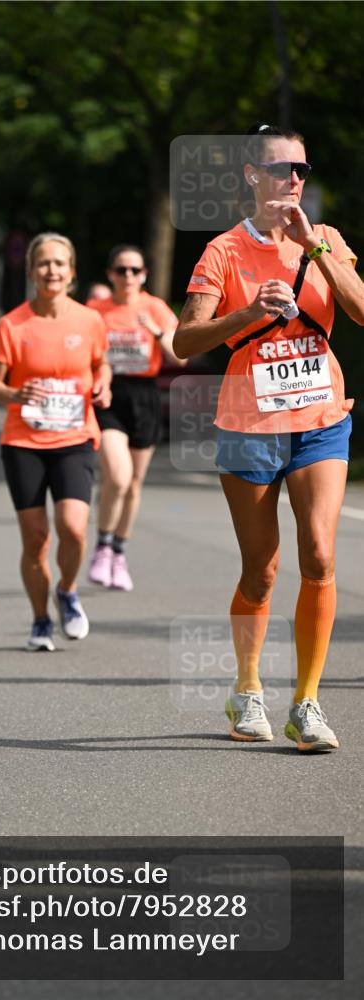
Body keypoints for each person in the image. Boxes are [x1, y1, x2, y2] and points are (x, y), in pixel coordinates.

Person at [174, 123, 364, 751]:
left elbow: (361, 311)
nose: (294, 181)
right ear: (252, 176)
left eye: (302, 171)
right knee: (262, 569)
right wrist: (251, 312)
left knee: (321, 554)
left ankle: (307, 703)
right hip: (249, 425)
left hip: (320, 421)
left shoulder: (327, 239)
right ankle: (248, 689)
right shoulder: (223, 252)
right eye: (282, 170)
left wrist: (316, 251)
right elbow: (185, 341)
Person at [0, 233, 112, 650]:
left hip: (75, 436)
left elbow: (100, 364)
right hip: (24, 441)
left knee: (73, 529)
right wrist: (14, 395)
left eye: (59, 263)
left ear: (71, 272)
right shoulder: (11, 324)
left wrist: (104, 385)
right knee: (36, 538)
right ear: (31, 271)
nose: (51, 270)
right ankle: (40, 620)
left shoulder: (90, 320)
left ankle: (68, 591)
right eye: (43, 263)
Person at [86, 245, 185, 590]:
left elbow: (180, 357)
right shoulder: (95, 311)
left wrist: (156, 332)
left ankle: (118, 552)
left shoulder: (155, 308)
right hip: (108, 396)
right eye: (121, 270)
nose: (127, 276)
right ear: (110, 274)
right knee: (118, 475)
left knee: (133, 485)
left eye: (134, 270)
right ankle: (101, 547)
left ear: (144, 275)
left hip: (144, 397)